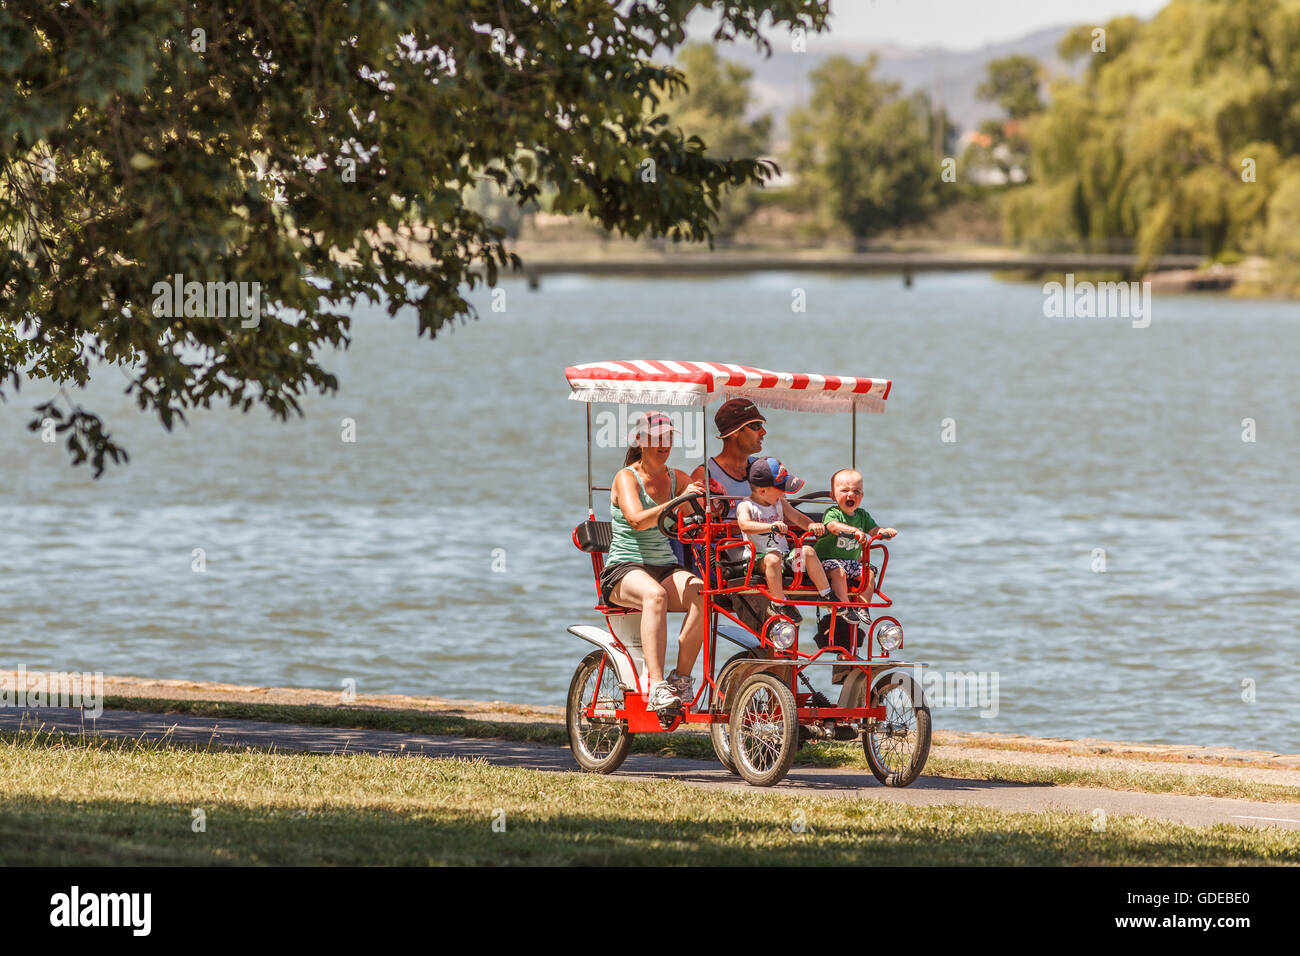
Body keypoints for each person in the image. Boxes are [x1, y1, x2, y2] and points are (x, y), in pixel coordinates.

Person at [602, 410, 707, 716]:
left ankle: (682, 679)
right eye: (656, 437)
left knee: (703, 593)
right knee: (655, 595)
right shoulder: (626, 478)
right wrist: (677, 502)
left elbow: (706, 501)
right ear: (640, 440)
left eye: (668, 437)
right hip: (624, 568)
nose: (664, 443)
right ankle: (658, 686)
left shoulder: (675, 477)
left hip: (664, 566)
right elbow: (636, 520)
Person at [691, 398, 820, 535]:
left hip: (772, 543)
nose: (763, 432)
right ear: (734, 432)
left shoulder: (763, 468)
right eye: (756, 425)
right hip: (730, 552)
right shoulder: (704, 475)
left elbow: (785, 513)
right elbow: (701, 531)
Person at [735, 457, 834, 624]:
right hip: (758, 561)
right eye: (780, 489)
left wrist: (811, 525)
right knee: (772, 558)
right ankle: (778, 603)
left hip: (784, 559)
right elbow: (744, 525)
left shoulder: (780, 502)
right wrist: (770, 526)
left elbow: (797, 517)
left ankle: (827, 595)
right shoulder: (746, 506)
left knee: (808, 552)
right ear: (762, 491)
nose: (783, 493)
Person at [815, 468, 898, 626]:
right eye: (844, 490)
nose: (851, 495)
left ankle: (862, 606)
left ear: (862, 496)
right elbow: (832, 527)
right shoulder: (833, 513)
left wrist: (884, 532)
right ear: (833, 495)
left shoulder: (862, 515)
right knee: (839, 574)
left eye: (856, 491)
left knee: (868, 573)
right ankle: (845, 606)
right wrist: (853, 531)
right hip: (829, 561)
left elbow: (874, 530)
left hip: (851, 562)